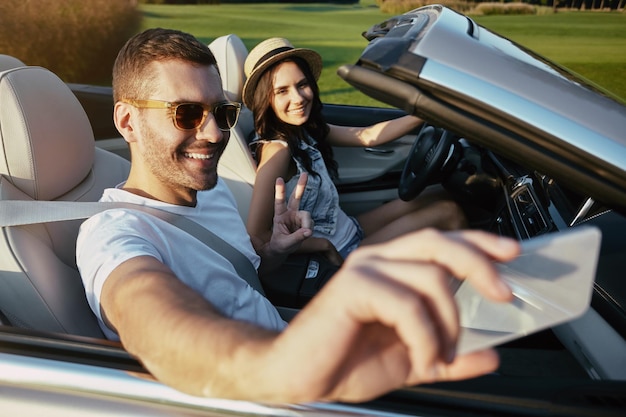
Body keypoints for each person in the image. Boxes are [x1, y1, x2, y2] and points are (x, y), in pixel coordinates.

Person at [76, 28, 521, 404]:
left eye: (222, 113)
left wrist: (272, 253)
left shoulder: (205, 192)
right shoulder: (112, 233)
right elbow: (149, 317)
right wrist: (281, 368)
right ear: (128, 122)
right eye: (186, 113)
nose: (213, 134)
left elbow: (242, 282)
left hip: (301, 350)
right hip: (276, 391)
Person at [243, 38, 467, 265]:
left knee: (440, 194)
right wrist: (321, 245)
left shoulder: (302, 130)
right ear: (266, 99)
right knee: (450, 213)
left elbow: (368, 135)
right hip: (345, 252)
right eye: (282, 91)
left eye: (302, 85)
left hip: (351, 228)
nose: (298, 98)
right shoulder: (277, 151)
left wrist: (427, 112)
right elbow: (257, 237)